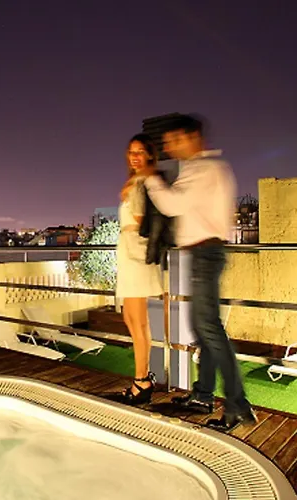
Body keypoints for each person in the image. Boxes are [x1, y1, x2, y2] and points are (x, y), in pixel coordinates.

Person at [140, 114, 256, 432]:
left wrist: (150, 177)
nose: (169, 147)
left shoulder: (202, 169)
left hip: (205, 254)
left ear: (192, 137)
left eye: (174, 140)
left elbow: (172, 205)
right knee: (204, 330)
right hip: (205, 254)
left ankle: (237, 404)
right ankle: (203, 395)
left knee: (209, 330)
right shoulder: (208, 168)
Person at [116, 134, 164, 405]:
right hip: (129, 253)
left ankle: (142, 381)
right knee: (131, 318)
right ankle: (142, 378)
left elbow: (141, 218)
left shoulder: (147, 181)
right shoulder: (136, 181)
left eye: (140, 152)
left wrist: (132, 195)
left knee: (138, 320)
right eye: (131, 151)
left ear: (149, 155)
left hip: (136, 252)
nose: (134, 156)